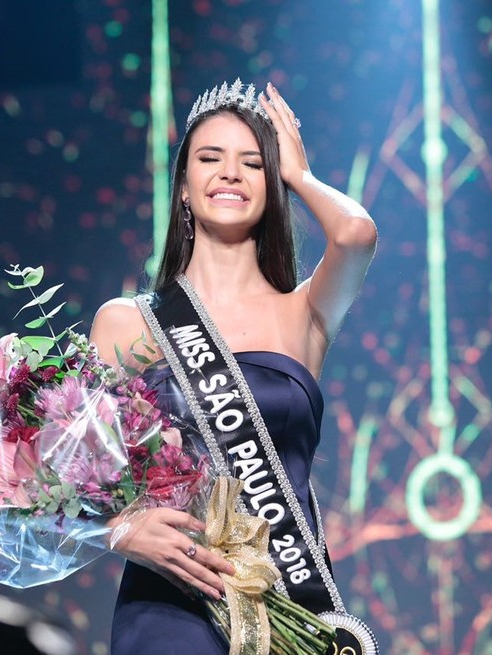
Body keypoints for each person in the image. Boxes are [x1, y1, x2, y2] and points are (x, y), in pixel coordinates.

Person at [89, 79, 377, 654]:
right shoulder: (127, 323)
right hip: (174, 597)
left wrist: (297, 174)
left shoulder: (305, 313)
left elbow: (356, 233)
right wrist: (120, 529)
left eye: (251, 163)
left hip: (289, 597)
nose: (229, 173)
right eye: (210, 158)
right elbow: (75, 474)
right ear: (185, 190)